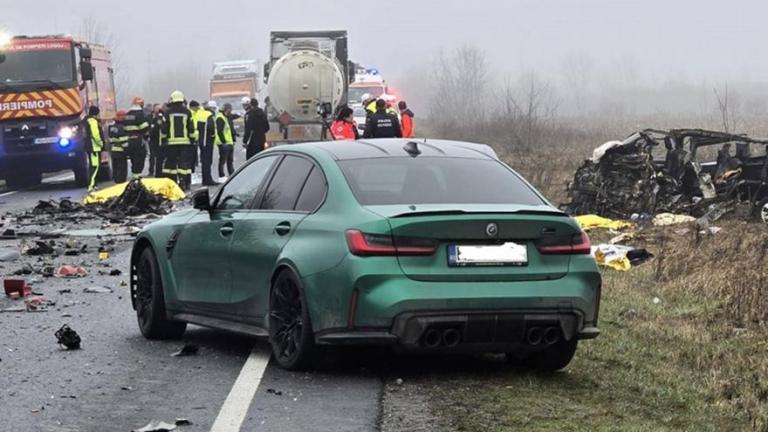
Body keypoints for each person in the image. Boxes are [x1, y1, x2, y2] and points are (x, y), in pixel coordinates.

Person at [161, 90, 196, 190]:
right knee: (184, 164)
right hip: (185, 143)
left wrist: (163, 140)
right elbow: (191, 128)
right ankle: (185, 182)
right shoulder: (187, 112)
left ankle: (171, 183)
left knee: (171, 164)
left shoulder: (167, 113)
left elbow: (164, 129)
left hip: (171, 144)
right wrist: (192, 139)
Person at [123, 96, 149, 178]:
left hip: (129, 141)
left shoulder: (127, 114)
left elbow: (124, 128)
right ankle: (137, 177)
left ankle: (135, 176)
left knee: (133, 159)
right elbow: (144, 127)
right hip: (138, 140)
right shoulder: (140, 114)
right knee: (140, 158)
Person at [196, 101, 217, 185]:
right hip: (207, 141)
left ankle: (205, 179)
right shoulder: (210, 115)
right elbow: (211, 127)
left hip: (201, 140)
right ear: (212, 108)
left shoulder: (202, 113)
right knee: (208, 161)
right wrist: (212, 135)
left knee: (204, 161)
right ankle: (208, 180)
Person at [83, 106, 104, 192]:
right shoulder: (92, 121)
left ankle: (94, 184)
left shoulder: (86, 120)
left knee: (94, 166)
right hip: (94, 147)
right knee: (95, 166)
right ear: (96, 113)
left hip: (90, 147)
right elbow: (95, 134)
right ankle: (91, 186)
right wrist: (101, 143)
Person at [108, 110, 130, 183]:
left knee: (116, 168)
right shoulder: (121, 127)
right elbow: (123, 141)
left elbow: (110, 140)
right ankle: (121, 183)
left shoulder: (111, 127)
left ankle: (117, 181)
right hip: (121, 151)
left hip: (114, 150)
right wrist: (127, 151)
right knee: (122, 169)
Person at [215, 103, 236, 179]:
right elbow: (219, 131)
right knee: (223, 160)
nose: (230, 111)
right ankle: (221, 175)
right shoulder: (220, 118)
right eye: (230, 109)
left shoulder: (225, 117)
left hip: (229, 142)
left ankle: (231, 174)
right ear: (227, 109)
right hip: (224, 143)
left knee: (230, 160)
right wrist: (224, 142)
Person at [148, 104, 166, 177]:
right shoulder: (163, 118)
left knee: (159, 159)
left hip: (159, 142)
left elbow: (153, 129)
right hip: (158, 141)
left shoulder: (157, 119)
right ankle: (156, 172)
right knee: (156, 158)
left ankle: (159, 174)